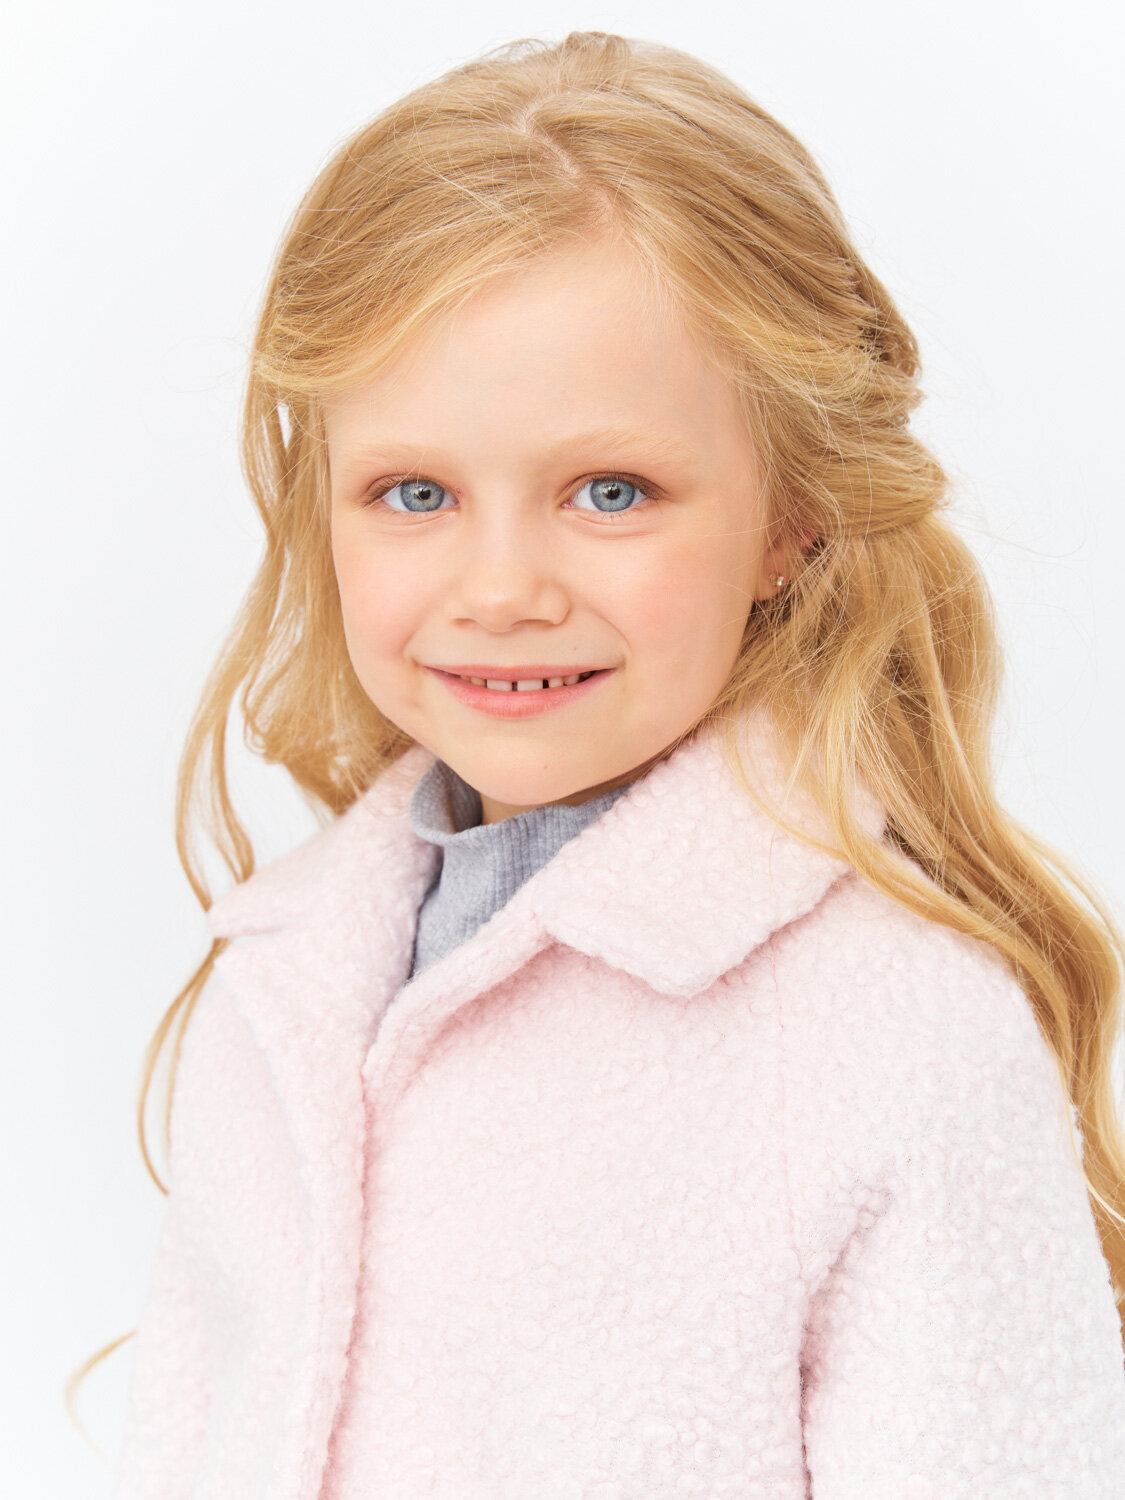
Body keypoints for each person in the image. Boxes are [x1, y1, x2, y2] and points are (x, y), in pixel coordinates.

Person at [101, 29, 1125, 1497]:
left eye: (609, 490)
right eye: (414, 493)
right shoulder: (288, 977)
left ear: (789, 520)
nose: (500, 587)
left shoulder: (890, 1033)